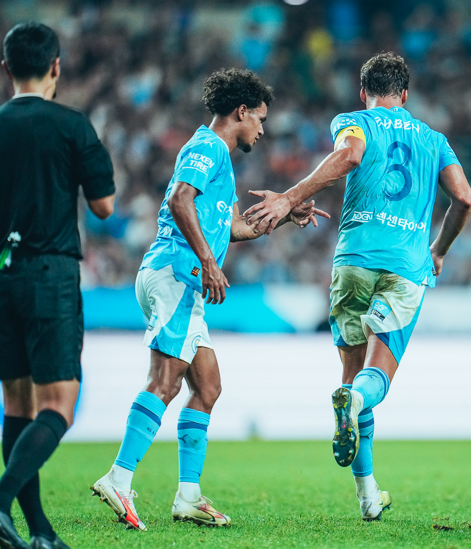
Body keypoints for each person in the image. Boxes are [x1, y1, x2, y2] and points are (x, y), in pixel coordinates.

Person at [90, 68, 326, 531]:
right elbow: (180, 200)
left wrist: (284, 213)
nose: (262, 129)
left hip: (185, 279)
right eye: (259, 119)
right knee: (165, 382)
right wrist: (209, 262)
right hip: (176, 272)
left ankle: (188, 496)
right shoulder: (205, 147)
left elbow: (235, 228)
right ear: (240, 112)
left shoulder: (220, 160)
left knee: (208, 387)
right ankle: (118, 478)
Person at [244, 52, 471, 521]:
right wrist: (439, 248)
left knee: (350, 378)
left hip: (354, 260)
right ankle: (360, 428)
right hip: (406, 268)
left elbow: (349, 154)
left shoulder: (354, 121)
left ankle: (368, 496)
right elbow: (464, 198)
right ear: (405, 95)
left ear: (362, 90)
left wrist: (291, 196)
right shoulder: (434, 139)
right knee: (372, 381)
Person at [0, 22, 115, 549]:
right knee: (59, 405)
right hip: (49, 271)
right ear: (56, 66)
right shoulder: (72, 126)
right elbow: (104, 206)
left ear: (6, 69)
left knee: (17, 405)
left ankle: (39, 532)